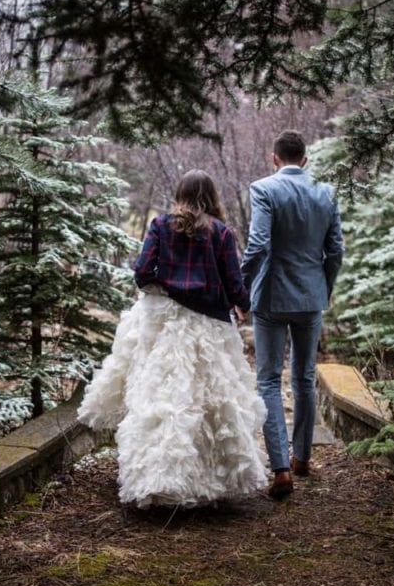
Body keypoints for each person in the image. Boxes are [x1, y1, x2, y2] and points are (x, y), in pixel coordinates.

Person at [78, 169, 268, 508]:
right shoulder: (221, 233)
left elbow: (141, 272)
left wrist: (165, 287)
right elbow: (234, 281)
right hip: (209, 325)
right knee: (209, 402)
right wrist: (243, 305)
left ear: (180, 195)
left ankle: (159, 481)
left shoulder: (161, 226)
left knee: (163, 400)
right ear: (212, 197)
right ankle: (204, 481)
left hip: (163, 321)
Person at [241, 130, 344, 500]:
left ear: (274, 159)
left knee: (268, 380)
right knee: (303, 377)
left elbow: (258, 244)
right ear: (305, 160)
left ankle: (281, 468)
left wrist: (241, 285)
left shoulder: (264, 189)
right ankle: (302, 458)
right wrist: (323, 288)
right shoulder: (328, 193)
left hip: (271, 296)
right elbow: (336, 251)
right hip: (311, 296)